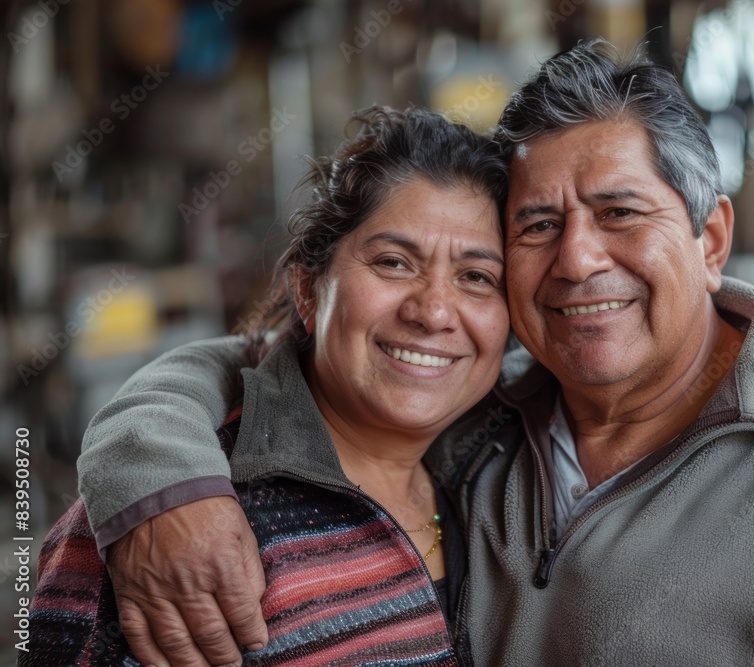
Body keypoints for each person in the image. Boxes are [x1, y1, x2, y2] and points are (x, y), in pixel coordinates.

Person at [76, 40, 754, 666]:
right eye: (538, 224)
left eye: (621, 213)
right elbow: (264, 362)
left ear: (712, 239)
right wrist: (158, 476)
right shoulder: (482, 426)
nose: (578, 259)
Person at [24, 105, 510, 666]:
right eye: (394, 262)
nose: (434, 311)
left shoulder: (501, 466)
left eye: (477, 277)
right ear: (308, 290)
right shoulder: (164, 524)